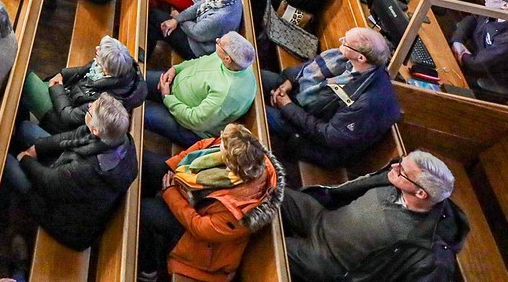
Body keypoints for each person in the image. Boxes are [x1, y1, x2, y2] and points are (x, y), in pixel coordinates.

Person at [279, 150, 468, 281]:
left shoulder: (428, 253)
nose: (393, 167)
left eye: (402, 171)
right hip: (321, 217)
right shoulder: (394, 182)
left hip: (326, 259)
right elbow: (347, 191)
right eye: (400, 163)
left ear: (421, 193)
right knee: (271, 191)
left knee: (271, 244)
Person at [138, 123, 285, 282]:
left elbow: (199, 227)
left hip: (200, 242)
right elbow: (204, 147)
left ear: (231, 167)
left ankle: (148, 270)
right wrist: (176, 167)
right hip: (190, 188)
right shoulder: (236, 146)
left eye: (222, 147)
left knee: (144, 212)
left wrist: (170, 192)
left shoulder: (240, 211)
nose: (219, 143)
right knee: (145, 163)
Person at [3, 94, 138, 251]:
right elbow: (73, 136)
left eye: (90, 111)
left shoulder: (86, 170)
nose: (88, 107)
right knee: (27, 128)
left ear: (95, 130)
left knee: (5, 161)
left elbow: (47, 182)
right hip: (66, 176)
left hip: (64, 219)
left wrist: (26, 159)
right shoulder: (118, 138)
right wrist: (36, 149)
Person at [264, 27, 402, 169]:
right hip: (303, 99)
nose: (340, 41)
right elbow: (311, 67)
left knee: (260, 113)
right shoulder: (352, 59)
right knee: (255, 77)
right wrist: (289, 81)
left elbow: (328, 135)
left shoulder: (366, 101)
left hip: (314, 139)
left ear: (361, 57)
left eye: (346, 42)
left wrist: (287, 106)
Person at [144, 31, 258, 146]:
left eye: (219, 42)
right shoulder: (230, 60)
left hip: (189, 126)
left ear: (227, 59)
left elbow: (196, 121)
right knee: (137, 80)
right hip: (174, 85)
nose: (217, 40)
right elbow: (199, 61)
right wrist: (176, 69)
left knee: (142, 113)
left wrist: (167, 98)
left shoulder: (226, 93)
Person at [21, 35, 146, 135]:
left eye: (100, 51)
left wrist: (57, 88)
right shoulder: (118, 68)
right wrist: (63, 74)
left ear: (106, 71)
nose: (97, 48)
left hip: (62, 121)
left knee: (23, 80)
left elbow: (68, 117)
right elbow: (84, 70)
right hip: (67, 95)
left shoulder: (104, 102)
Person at [151, 0, 244, 60]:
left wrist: (178, 18)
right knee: (162, 23)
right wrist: (177, 19)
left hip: (197, 48)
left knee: (155, 17)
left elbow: (195, 32)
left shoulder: (221, 17)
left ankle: (144, 59)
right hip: (197, 27)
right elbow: (199, 5)